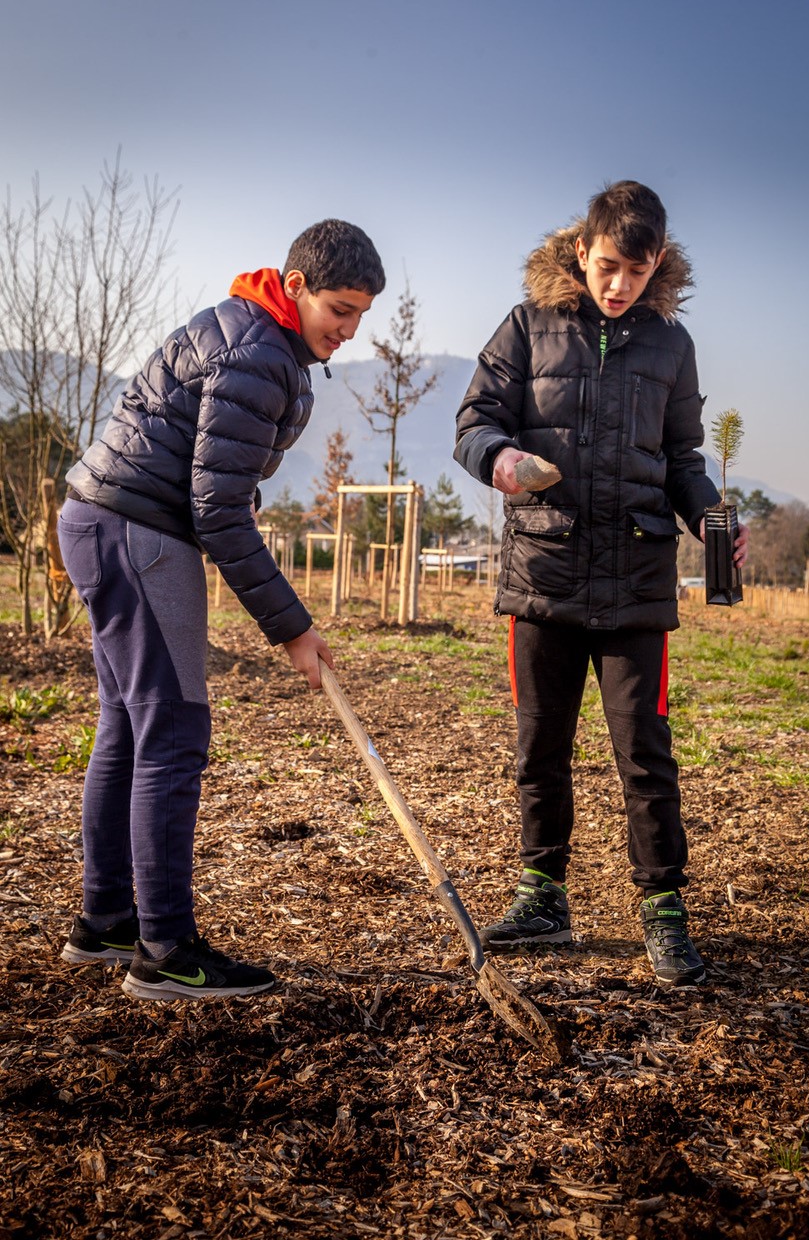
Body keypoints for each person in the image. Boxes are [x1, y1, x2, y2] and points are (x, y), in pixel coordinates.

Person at [58, 219, 385, 1000]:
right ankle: (165, 950)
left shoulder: (247, 332)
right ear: (296, 287)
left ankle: (108, 921)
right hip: (141, 536)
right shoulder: (260, 355)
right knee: (171, 733)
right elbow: (218, 510)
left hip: (96, 523)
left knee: (129, 728)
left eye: (361, 317)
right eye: (339, 310)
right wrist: (293, 628)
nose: (347, 331)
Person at [454, 181, 747, 986]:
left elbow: (682, 458)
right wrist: (501, 461)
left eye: (638, 271)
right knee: (538, 746)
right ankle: (542, 896)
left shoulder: (669, 344)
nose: (620, 286)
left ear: (658, 266)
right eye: (608, 266)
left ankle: (663, 910)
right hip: (541, 573)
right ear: (580, 252)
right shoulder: (525, 325)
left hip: (635, 584)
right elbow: (473, 423)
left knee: (644, 755)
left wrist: (712, 515)